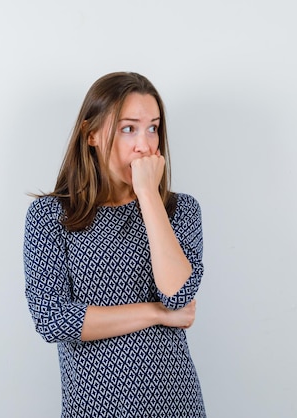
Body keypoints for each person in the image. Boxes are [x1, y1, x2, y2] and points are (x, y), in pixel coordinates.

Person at [23, 72, 206, 417]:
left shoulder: (181, 211)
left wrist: (148, 195)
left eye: (153, 128)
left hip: (177, 404)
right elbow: (53, 320)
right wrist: (156, 313)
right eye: (128, 128)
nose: (144, 145)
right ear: (90, 134)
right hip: (95, 408)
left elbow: (178, 295)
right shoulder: (51, 216)